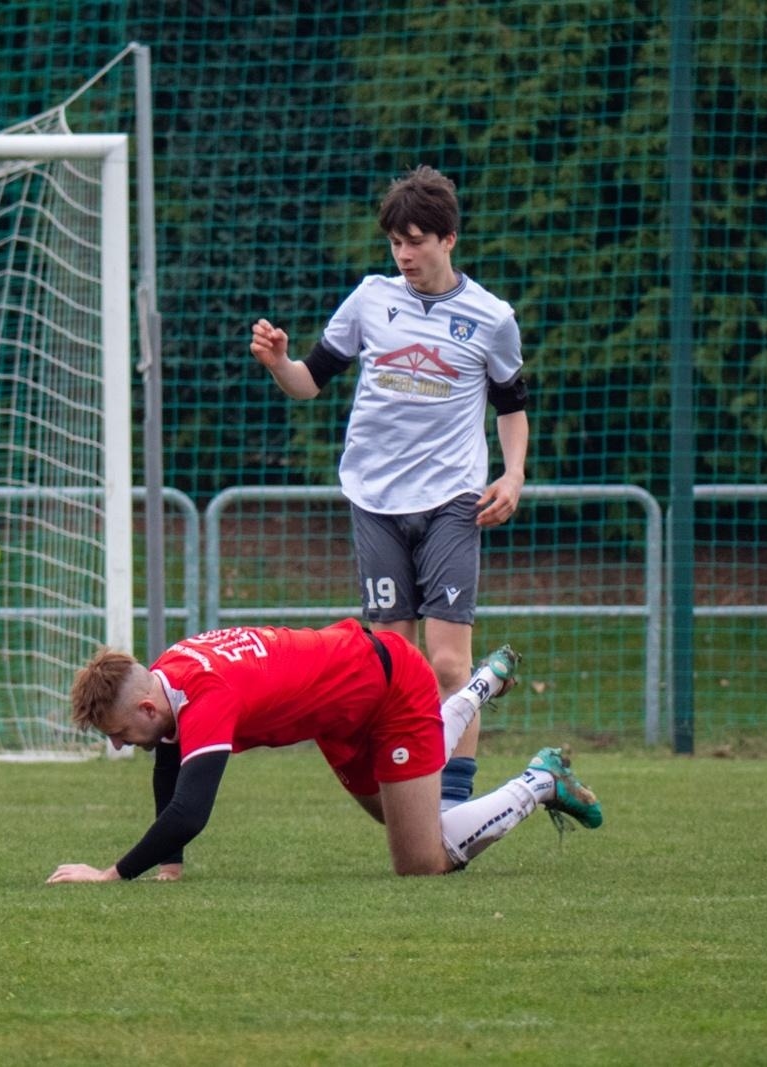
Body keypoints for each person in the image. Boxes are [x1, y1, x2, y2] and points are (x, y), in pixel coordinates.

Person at [249, 165, 529, 812]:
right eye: (395, 241)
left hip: (454, 500)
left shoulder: (491, 318)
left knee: (447, 664)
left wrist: (512, 474)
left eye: (416, 240)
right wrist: (278, 363)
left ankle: (452, 806)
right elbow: (309, 382)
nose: (404, 254)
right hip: (374, 500)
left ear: (448, 239)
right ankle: (416, 797)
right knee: (394, 665)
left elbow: (512, 405)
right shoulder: (371, 298)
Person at [46, 619, 601, 884]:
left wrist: (111, 875)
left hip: (389, 688)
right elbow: (171, 759)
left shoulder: (206, 696)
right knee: (398, 815)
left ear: (144, 707)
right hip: (338, 713)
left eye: (118, 732)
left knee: (422, 859)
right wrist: (170, 867)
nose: (119, 745)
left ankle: (540, 781)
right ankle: (482, 685)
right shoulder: (168, 676)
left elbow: (190, 811)